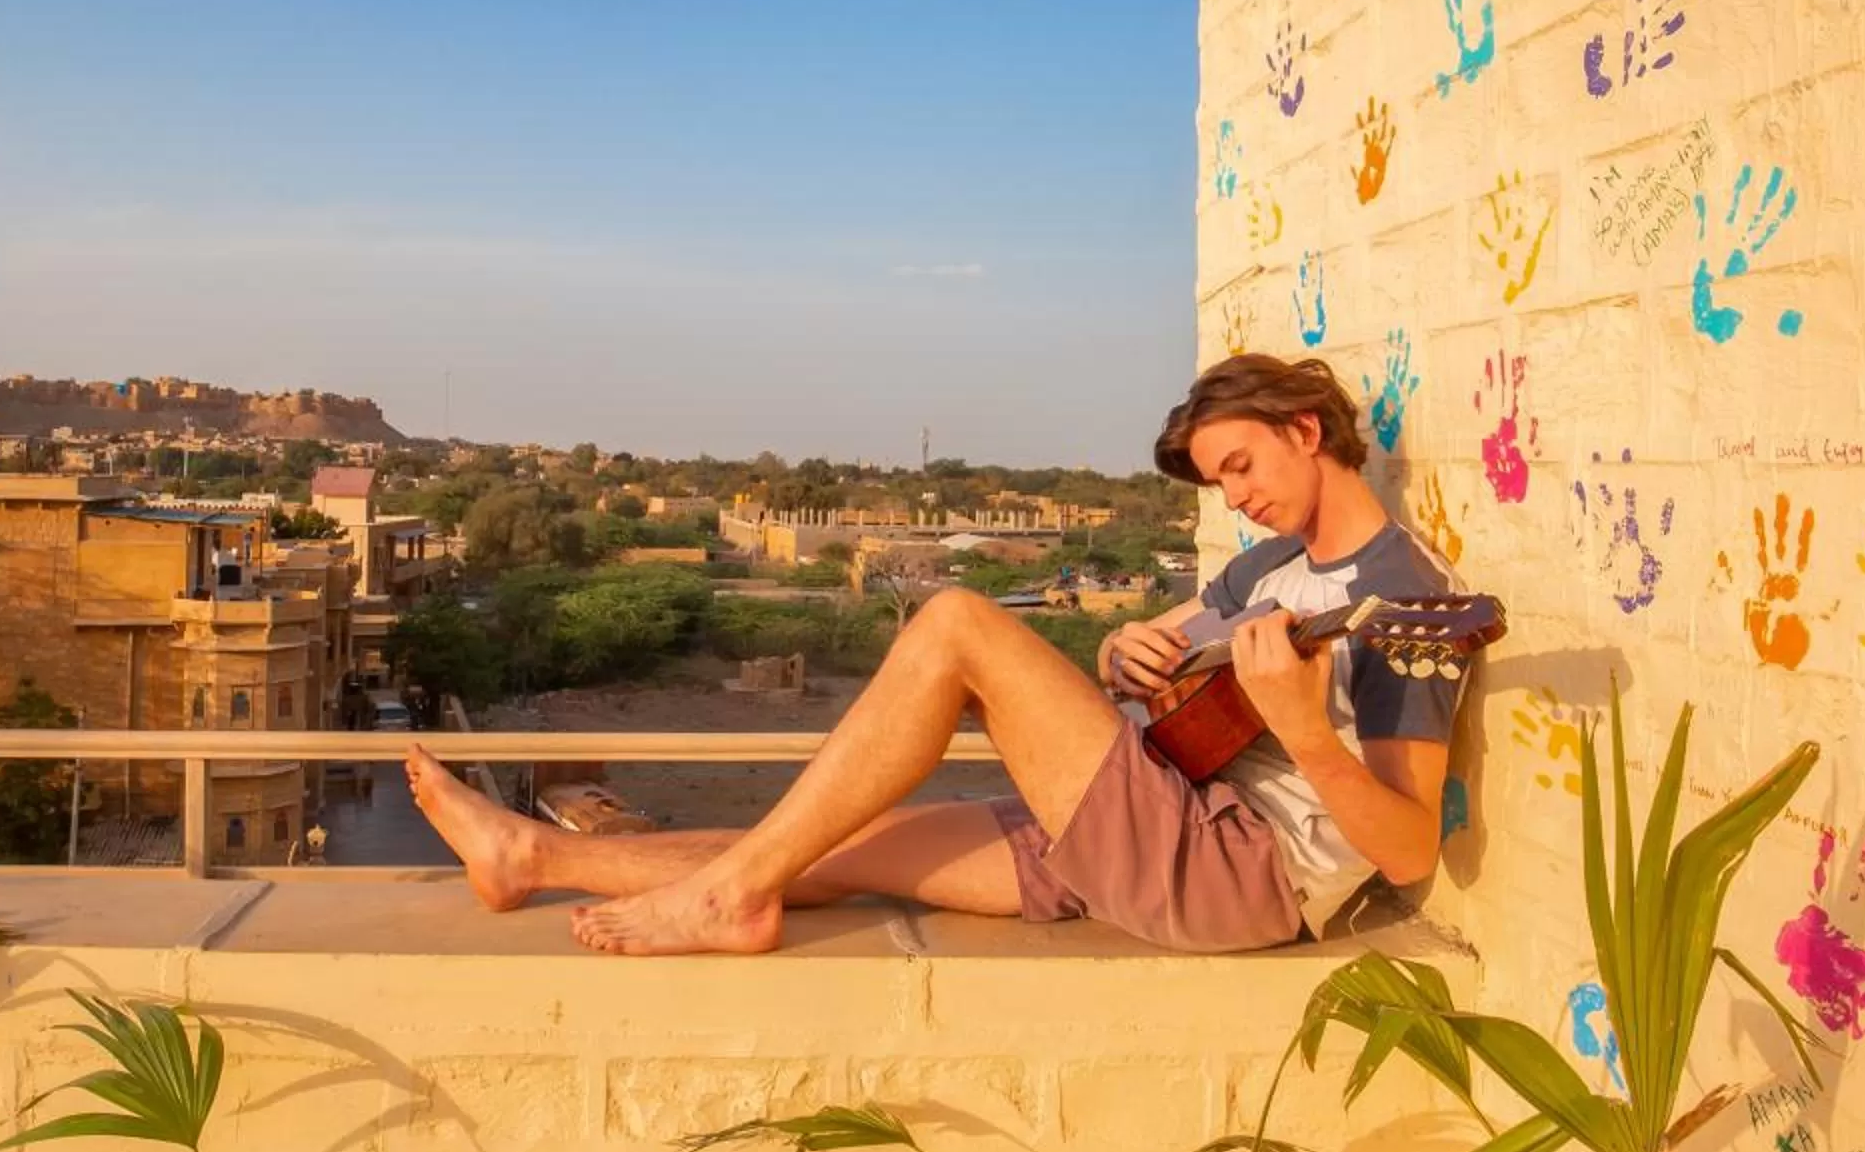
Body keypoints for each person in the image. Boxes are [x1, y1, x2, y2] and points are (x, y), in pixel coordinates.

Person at [404, 354, 1473, 955]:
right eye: (1218, 480)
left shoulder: (1405, 602)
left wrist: (1304, 734)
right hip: (1161, 800)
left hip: (1238, 870)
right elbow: (1171, 663)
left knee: (958, 620)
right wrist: (1120, 649)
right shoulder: (1268, 566)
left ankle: (723, 901)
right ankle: (531, 857)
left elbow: (1408, 848)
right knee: (836, 843)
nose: (1235, 497)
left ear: (1305, 430)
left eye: (1240, 465)